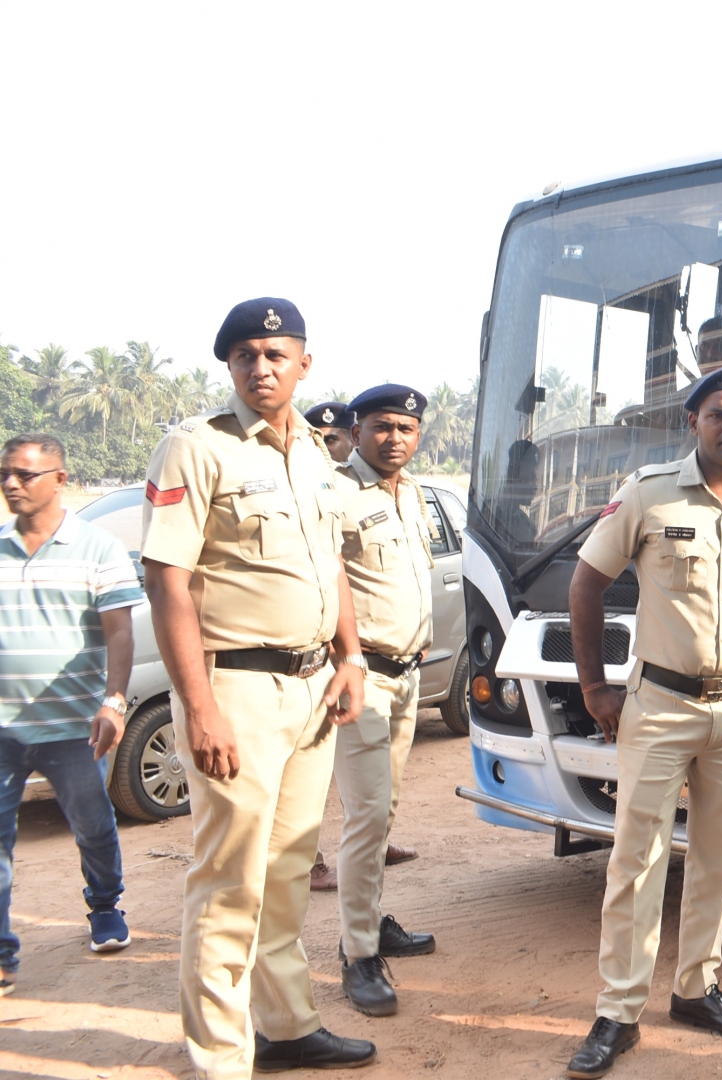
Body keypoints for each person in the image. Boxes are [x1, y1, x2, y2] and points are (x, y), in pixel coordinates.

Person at [142, 297, 374, 1076]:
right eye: (245, 354)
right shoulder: (195, 448)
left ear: (304, 362)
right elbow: (167, 579)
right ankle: (219, 1060)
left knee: (285, 868)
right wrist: (198, 708)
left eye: (276, 353)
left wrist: (350, 656)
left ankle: (287, 1025)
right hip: (235, 689)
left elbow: (331, 562)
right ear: (230, 367)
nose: (260, 366)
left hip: (312, 685)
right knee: (228, 881)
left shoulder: (315, 451)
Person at [563, 365, 722, 1079]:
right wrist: (593, 687)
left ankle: (697, 990)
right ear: (692, 421)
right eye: (719, 414)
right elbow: (586, 585)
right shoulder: (647, 492)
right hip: (659, 705)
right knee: (635, 859)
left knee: (721, 856)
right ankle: (618, 1010)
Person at [0, 434, 143, 997]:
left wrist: (114, 700)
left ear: (59, 479)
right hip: (2, 728)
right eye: (5, 474)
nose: (12, 484)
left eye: (25, 475)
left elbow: (119, 632)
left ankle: (105, 907)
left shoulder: (98, 549)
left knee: (91, 827)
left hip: (74, 727)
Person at [327, 383, 438, 1015]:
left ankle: (369, 921)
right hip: (362, 677)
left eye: (405, 428)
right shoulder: (338, 494)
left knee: (385, 809)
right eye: (381, 427)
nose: (394, 437)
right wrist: (350, 661)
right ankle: (358, 953)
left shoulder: (413, 493)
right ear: (359, 428)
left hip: (409, 675)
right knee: (366, 815)